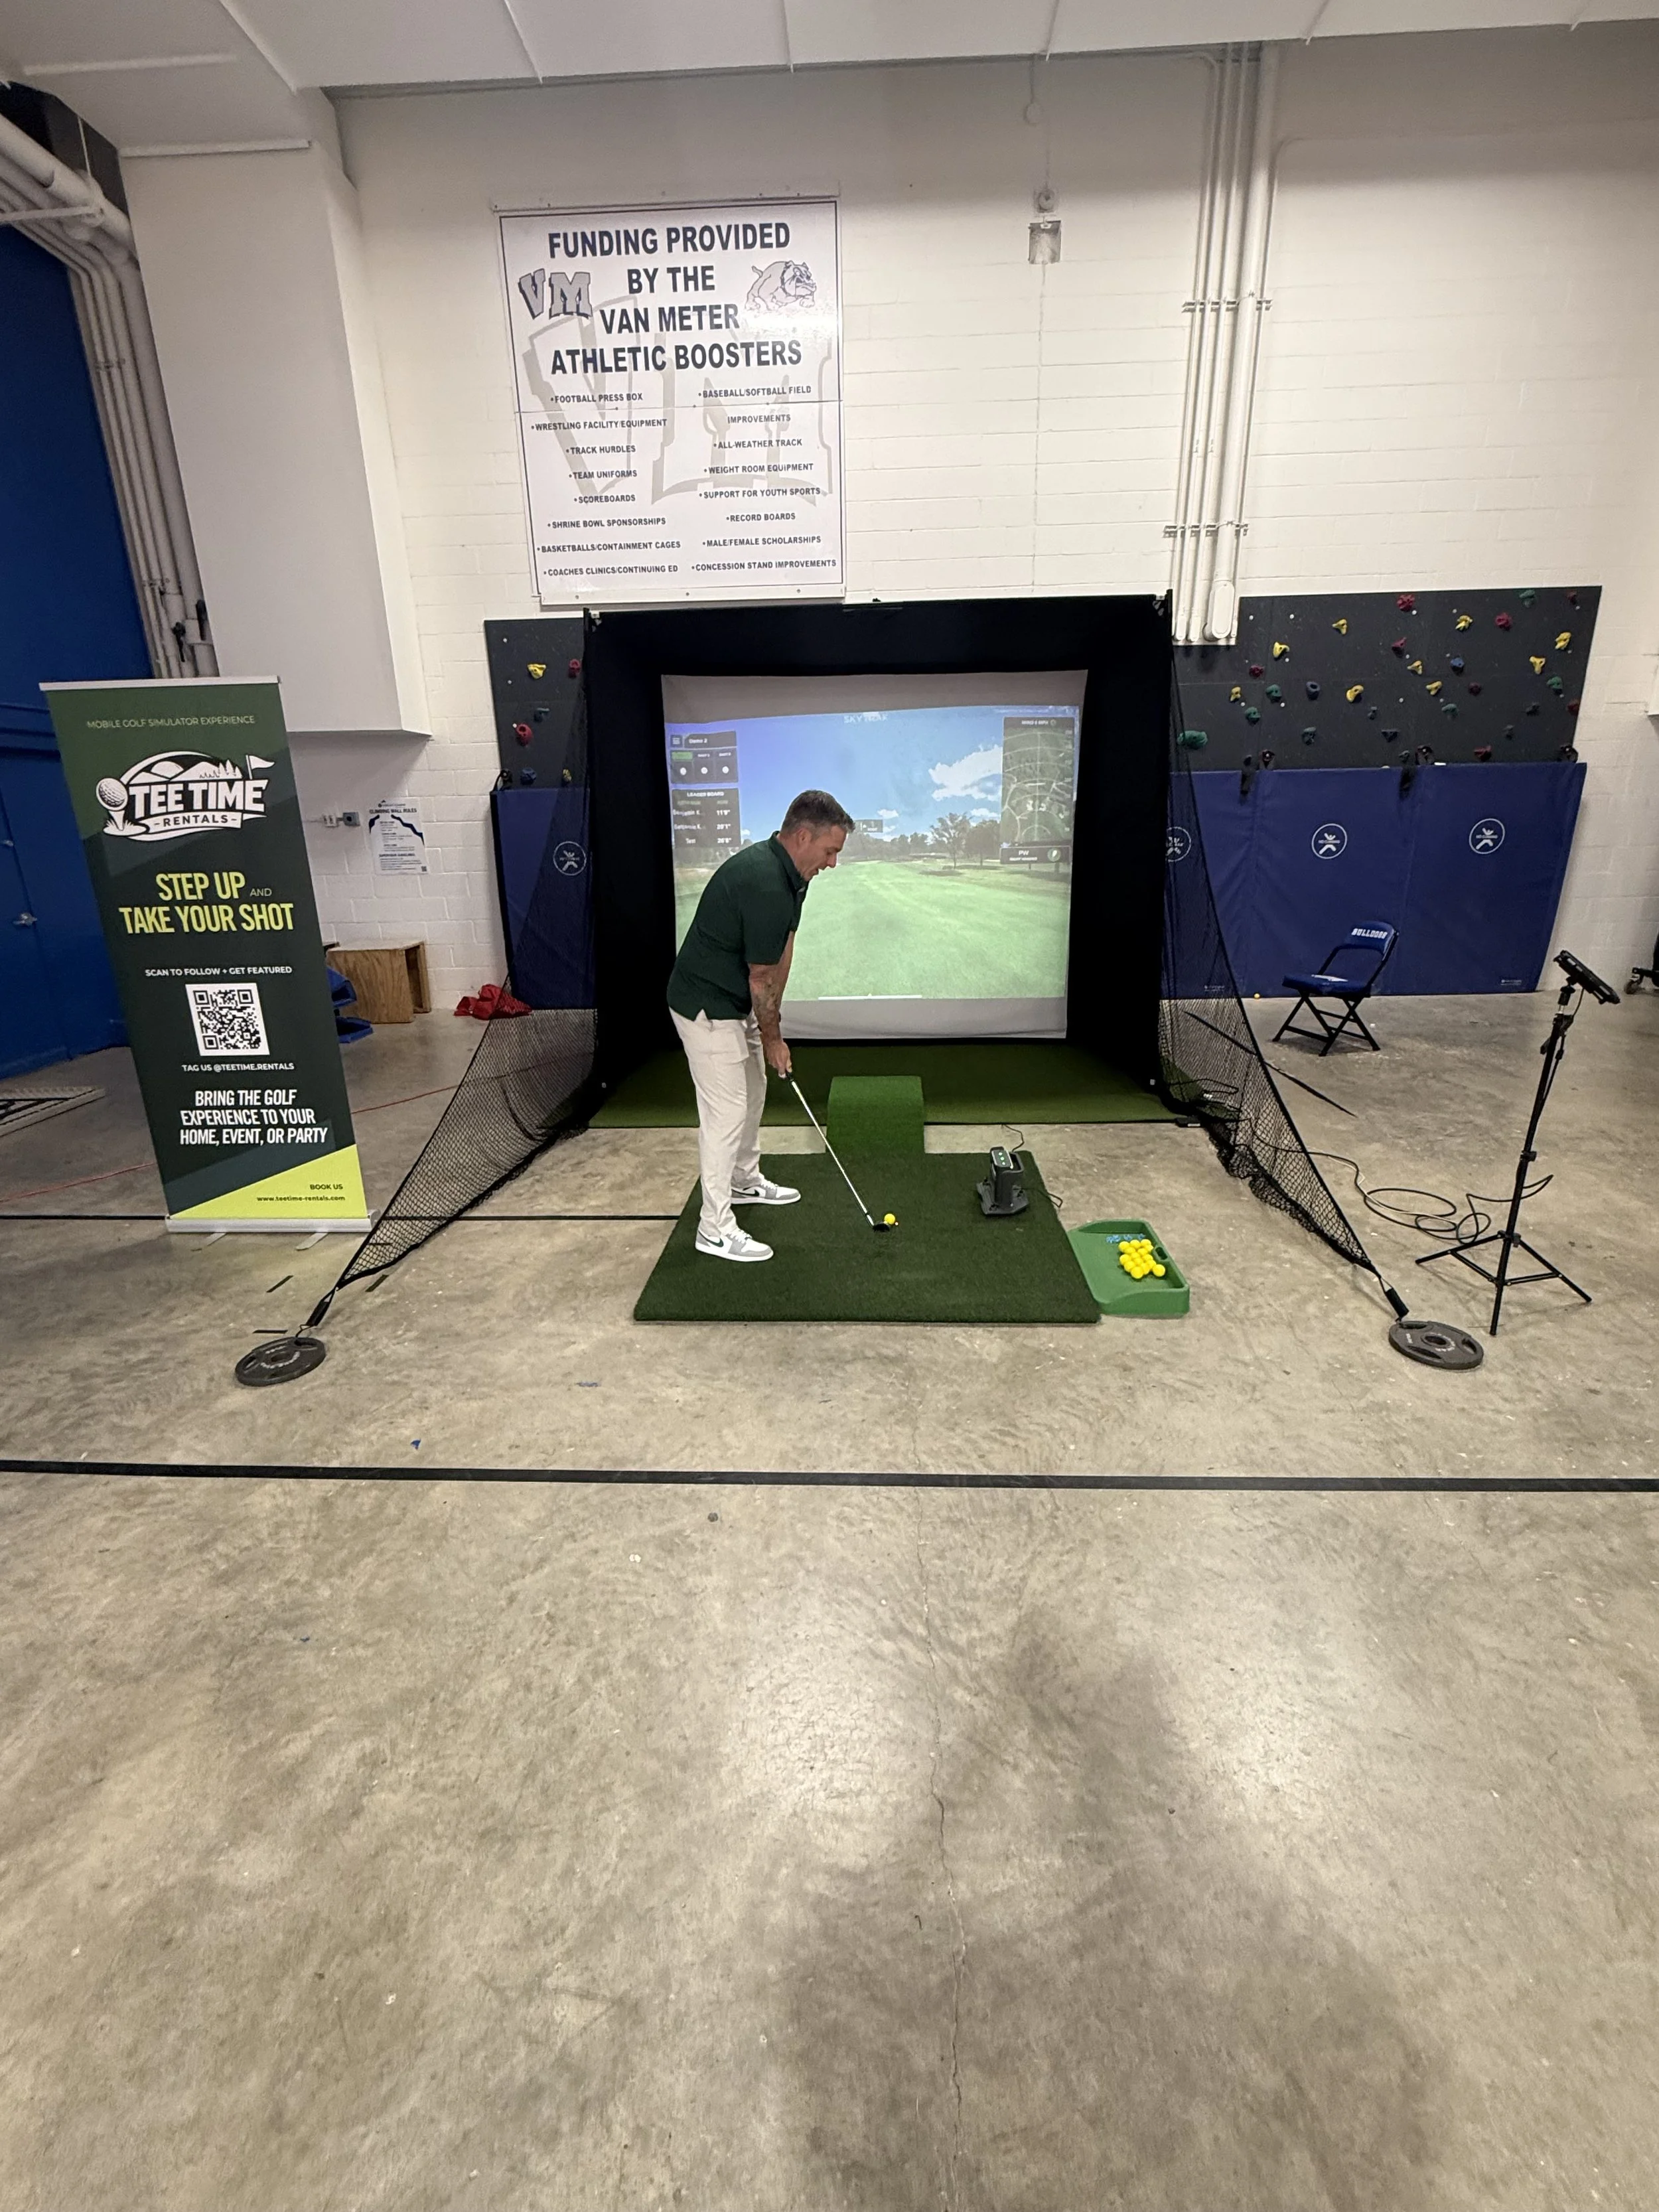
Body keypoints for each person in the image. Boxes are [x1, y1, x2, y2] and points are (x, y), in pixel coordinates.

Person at [667, 788, 853, 1262]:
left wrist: (773, 1027)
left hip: (739, 1000)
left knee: (754, 1090)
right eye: (830, 851)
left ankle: (745, 1180)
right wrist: (771, 1036)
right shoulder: (766, 880)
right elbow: (762, 975)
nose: (833, 863)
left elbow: (783, 947)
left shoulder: (795, 876)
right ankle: (713, 1229)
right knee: (726, 1112)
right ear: (803, 836)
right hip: (706, 1006)